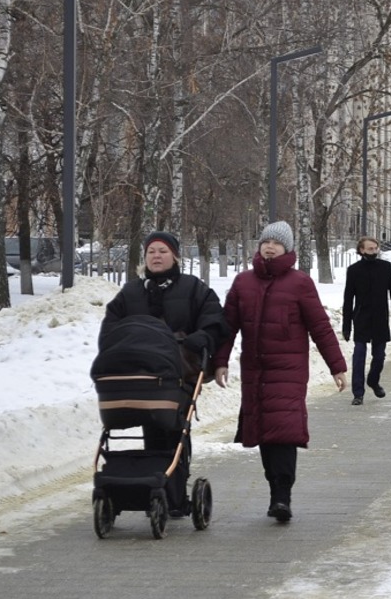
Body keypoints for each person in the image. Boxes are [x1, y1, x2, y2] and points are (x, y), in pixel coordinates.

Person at [213, 221, 347, 523]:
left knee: (284, 433)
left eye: (277, 243)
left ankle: (282, 497)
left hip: (288, 370)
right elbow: (228, 327)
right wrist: (220, 361)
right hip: (255, 372)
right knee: (264, 432)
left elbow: (320, 327)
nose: (270, 247)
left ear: (288, 249)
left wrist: (336, 366)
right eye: (266, 242)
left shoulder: (300, 283)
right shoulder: (243, 283)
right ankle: (275, 490)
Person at [98, 230, 230, 516]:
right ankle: (143, 485)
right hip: (135, 376)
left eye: (163, 251)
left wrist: (201, 339)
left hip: (177, 375)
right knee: (151, 424)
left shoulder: (193, 288)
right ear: (144, 257)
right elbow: (110, 327)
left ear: (175, 256)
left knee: (173, 428)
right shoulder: (131, 292)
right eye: (151, 252)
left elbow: (213, 321)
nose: (156, 256)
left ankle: (172, 490)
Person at [342, 236, 391, 405]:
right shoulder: (354, 270)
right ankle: (358, 393)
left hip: (380, 318)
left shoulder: (385, 267)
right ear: (362, 250)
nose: (373, 251)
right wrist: (346, 326)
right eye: (370, 249)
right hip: (361, 318)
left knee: (379, 356)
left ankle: (373, 380)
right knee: (359, 356)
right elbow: (348, 299)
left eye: (375, 248)